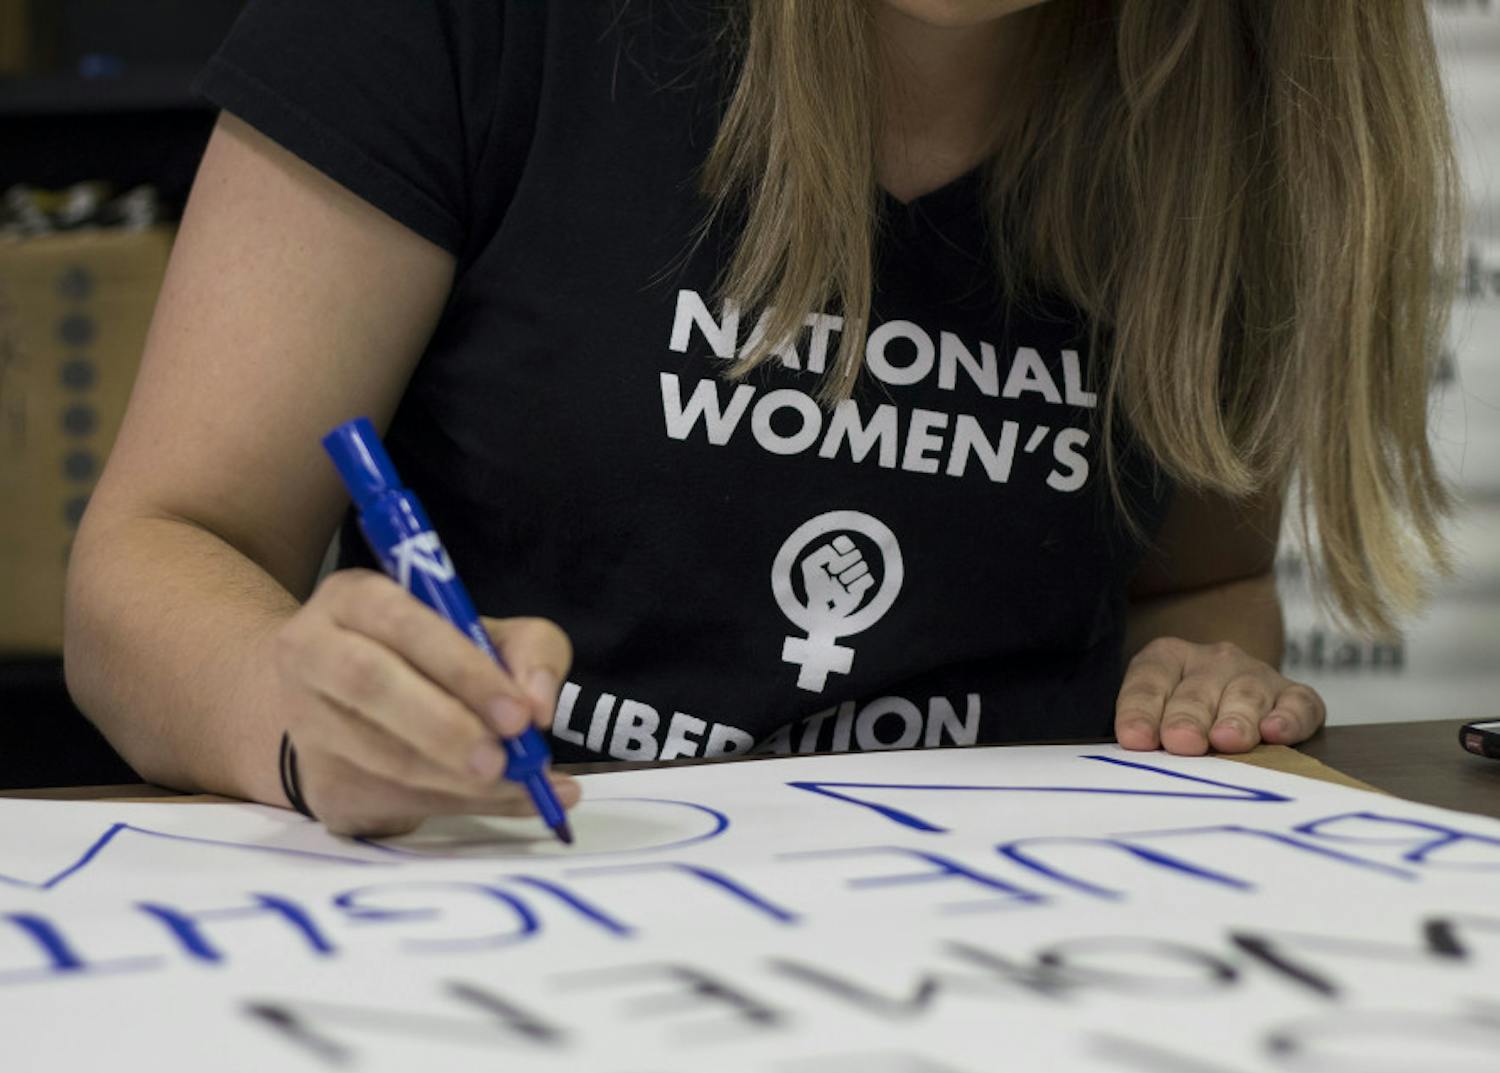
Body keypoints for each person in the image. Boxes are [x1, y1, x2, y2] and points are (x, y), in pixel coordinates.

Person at [63, 0, 1459, 837]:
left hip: (1007, 968)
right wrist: (301, 720)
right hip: (511, 917)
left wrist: (1194, 678)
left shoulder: (1235, 83)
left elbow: (1198, 580)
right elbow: (152, 560)